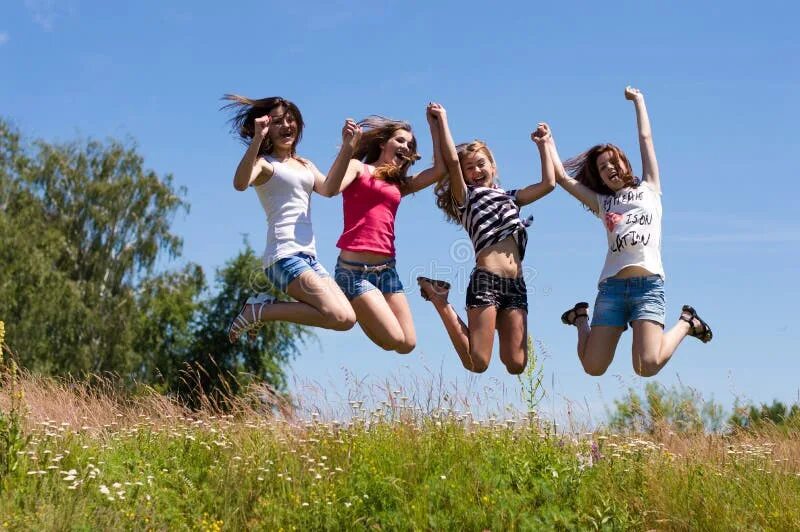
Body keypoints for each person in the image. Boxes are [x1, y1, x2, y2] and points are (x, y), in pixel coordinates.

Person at [555, 86, 712, 377]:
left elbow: (645, 139)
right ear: (599, 177)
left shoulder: (649, 188)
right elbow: (562, 178)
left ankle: (688, 322)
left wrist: (639, 101)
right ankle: (580, 318)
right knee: (593, 367)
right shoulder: (602, 203)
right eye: (603, 168)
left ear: (625, 162)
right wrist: (546, 142)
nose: (610, 168)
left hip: (648, 287)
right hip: (612, 289)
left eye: (614, 161)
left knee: (646, 366)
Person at [417, 104, 556, 374]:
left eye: (481, 164)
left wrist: (544, 144)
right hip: (487, 280)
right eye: (470, 168)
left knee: (517, 364)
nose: (476, 170)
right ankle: (440, 299)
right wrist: (441, 121)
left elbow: (548, 184)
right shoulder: (466, 199)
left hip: (516, 285)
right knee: (478, 362)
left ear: (493, 166)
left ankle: (440, 297)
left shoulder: (511, 197)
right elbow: (453, 162)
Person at [222, 95, 357, 342]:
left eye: (290, 120)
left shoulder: (304, 164)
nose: (286, 126)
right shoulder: (265, 164)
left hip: (309, 256)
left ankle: (261, 310)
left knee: (346, 318)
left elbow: (329, 189)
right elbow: (240, 184)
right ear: (267, 128)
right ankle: (256, 311)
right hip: (282, 255)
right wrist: (257, 138)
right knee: (333, 312)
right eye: (277, 122)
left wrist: (347, 147)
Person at [331, 104, 446, 353]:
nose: (406, 147)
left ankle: (359, 308)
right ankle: (354, 302)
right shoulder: (357, 168)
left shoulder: (399, 185)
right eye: (400, 140)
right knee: (394, 338)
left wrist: (435, 126)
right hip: (354, 271)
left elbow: (439, 170)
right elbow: (333, 187)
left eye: (410, 145)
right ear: (383, 143)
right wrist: (346, 149)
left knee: (407, 344)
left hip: (387, 271)